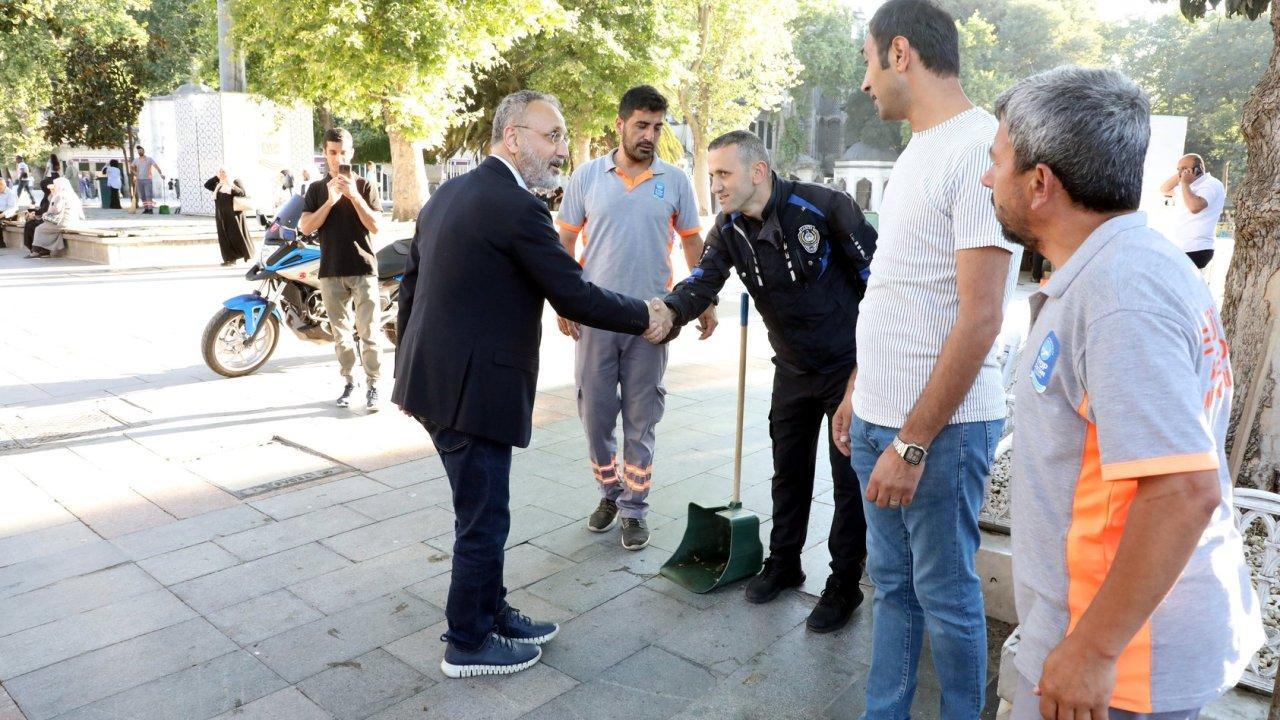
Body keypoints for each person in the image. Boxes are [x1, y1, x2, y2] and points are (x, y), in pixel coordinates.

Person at [983, 65, 1265, 720]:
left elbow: (1182, 490)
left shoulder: (1120, 295)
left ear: (1040, 183)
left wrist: (1093, 649)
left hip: (1121, 658)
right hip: (1105, 639)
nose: (987, 180)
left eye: (996, 161)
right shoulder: (1124, 268)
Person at [393, 90, 670, 679]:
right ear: (513, 137)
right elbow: (574, 293)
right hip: (471, 394)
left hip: (436, 384)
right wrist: (647, 314)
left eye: (563, 137)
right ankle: (467, 642)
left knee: (483, 512)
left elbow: (410, 287)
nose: (562, 150)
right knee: (484, 520)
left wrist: (407, 370)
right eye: (552, 136)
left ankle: (491, 612)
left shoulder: (451, 193)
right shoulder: (516, 207)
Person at [829, 1, 1022, 717]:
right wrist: (859, 388)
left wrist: (911, 444)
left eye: (868, 61)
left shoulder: (977, 151)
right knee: (892, 588)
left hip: (939, 433)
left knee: (944, 595)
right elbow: (897, 288)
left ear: (900, 52)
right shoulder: (918, 148)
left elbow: (982, 316)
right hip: (880, 419)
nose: (865, 81)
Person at [652, 128, 877, 632]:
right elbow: (703, 280)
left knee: (848, 482)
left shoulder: (825, 208)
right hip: (792, 369)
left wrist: (867, 371)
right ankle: (785, 562)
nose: (715, 185)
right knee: (787, 472)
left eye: (723, 174)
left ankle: (844, 583)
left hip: (848, 371)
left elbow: (880, 287)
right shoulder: (728, 227)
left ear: (758, 171)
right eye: (712, 175)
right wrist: (670, 310)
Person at [554, 85, 711, 551]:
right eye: (642, 126)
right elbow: (564, 243)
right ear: (620, 124)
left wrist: (703, 300)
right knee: (595, 416)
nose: (650, 136)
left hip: (653, 322)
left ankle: (634, 508)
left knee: (642, 420)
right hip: (596, 320)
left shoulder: (675, 180)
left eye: (657, 128)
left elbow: (692, 242)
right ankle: (610, 492)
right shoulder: (587, 177)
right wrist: (563, 301)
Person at [298, 128, 385, 411]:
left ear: (352, 153)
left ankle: (373, 385)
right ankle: (350, 382)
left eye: (343, 152)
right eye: (333, 152)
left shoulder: (366, 186)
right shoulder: (316, 189)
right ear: (324, 153)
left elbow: (376, 226)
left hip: (363, 268)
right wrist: (330, 201)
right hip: (331, 270)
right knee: (341, 334)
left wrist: (354, 197)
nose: (338, 158)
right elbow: (306, 226)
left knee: (369, 332)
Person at [1159, 153, 1226, 270]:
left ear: (1199, 168)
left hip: (1196, 248)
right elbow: (1165, 189)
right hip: (1182, 247)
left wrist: (1184, 183)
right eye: (1179, 169)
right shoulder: (1189, 186)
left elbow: (1195, 207)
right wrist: (1181, 175)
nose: (1181, 172)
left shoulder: (1211, 184)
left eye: (1185, 168)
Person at [204, 170, 252, 266]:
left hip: (234, 216)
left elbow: (242, 194)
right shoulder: (218, 184)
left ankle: (242, 255)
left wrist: (232, 185)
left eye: (224, 172)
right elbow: (207, 185)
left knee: (234, 237)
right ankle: (229, 259)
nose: (222, 174)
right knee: (224, 238)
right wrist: (217, 177)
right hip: (221, 216)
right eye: (220, 172)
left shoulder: (235, 181)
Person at [28, 177, 84, 258]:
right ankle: (45, 251)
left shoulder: (60, 196)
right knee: (44, 227)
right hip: (72, 221)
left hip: (63, 223)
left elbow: (55, 210)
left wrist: (45, 213)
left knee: (39, 229)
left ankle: (35, 251)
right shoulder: (72, 195)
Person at [22, 177, 54, 251]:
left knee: (32, 225)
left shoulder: (52, 197)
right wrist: (31, 212)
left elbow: (48, 211)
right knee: (29, 224)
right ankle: (33, 248)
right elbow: (42, 210)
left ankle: (39, 249)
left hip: (49, 220)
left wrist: (35, 215)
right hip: (43, 217)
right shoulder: (46, 196)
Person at [131, 146, 165, 214]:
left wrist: (161, 174)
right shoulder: (136, 160)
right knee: (142, 196)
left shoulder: (149, 159)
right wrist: (135, 174)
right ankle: (146, 209)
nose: (140, 152)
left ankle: (150, 209)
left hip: (147, 180)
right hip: (139, 180)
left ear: (144, 151)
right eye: (139, 151)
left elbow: (156, 166)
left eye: (141, 150)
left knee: (148, 195)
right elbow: (131, 167)